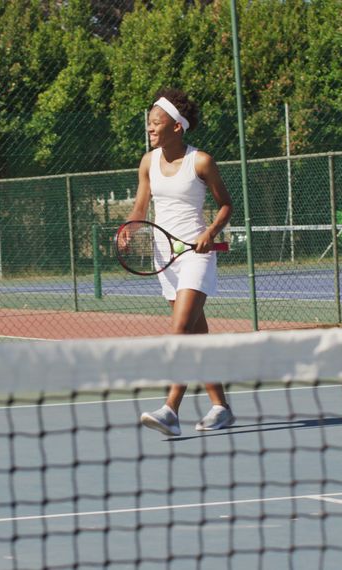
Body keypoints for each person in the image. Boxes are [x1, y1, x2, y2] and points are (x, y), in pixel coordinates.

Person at [127, 88, 235, 436]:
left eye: (157, 123)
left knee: (180, 331)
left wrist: (211, 232)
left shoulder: (200, 161)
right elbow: (141, 208)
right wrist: (129, 227)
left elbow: (226, 205)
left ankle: (170, 410)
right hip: (165, 259)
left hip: (196, 255)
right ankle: (220, 406)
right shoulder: (148, 162)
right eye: (149, 124)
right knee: (196, 336)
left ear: (177, 127)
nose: (151, 129)